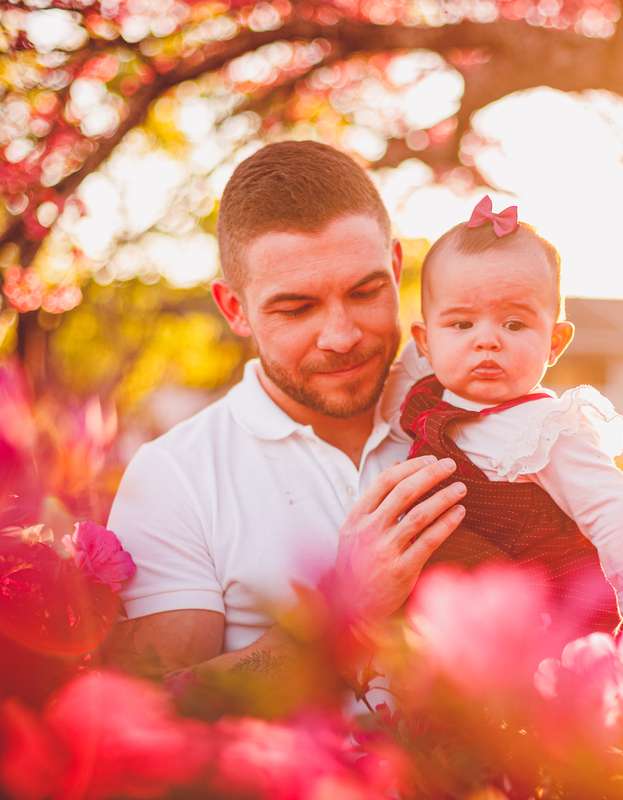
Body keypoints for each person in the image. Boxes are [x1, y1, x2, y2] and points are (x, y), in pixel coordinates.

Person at [103, 141, 468, 678]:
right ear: (235, 308)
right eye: (297, 308)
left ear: (394, 266)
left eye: (366, 292)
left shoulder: (476, 412)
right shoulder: (174, 477)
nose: (341, 336)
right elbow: (163, 703)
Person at [381, 196, 623, 638]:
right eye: (462, 325)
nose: (487, 341)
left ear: (555, 343)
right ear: (424, 342)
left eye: (514, 325)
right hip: (450, 619)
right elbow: (398, 378)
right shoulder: (423, 396)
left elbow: (610, 506)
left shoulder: (548, 428)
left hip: (544, 612)